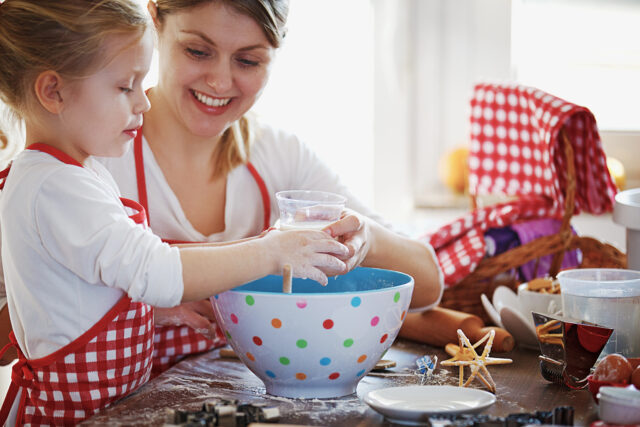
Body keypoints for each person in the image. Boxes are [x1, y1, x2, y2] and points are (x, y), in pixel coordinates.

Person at [0, 1, 348, 424]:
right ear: (53, 91)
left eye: (140, 83)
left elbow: (73, 294)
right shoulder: (56, 187)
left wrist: (153, 313)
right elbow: (155, 269)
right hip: (72, 417)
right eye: (124, 87)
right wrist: (273, 251)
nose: (142, 103)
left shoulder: (75, 172)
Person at [95, 0, 444, 375]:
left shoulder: (280, 156)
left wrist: (366, 238)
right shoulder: (98, 153)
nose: (220, 82)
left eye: (248, 61)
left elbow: (427, 284)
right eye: (197, 51)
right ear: (155, 24)